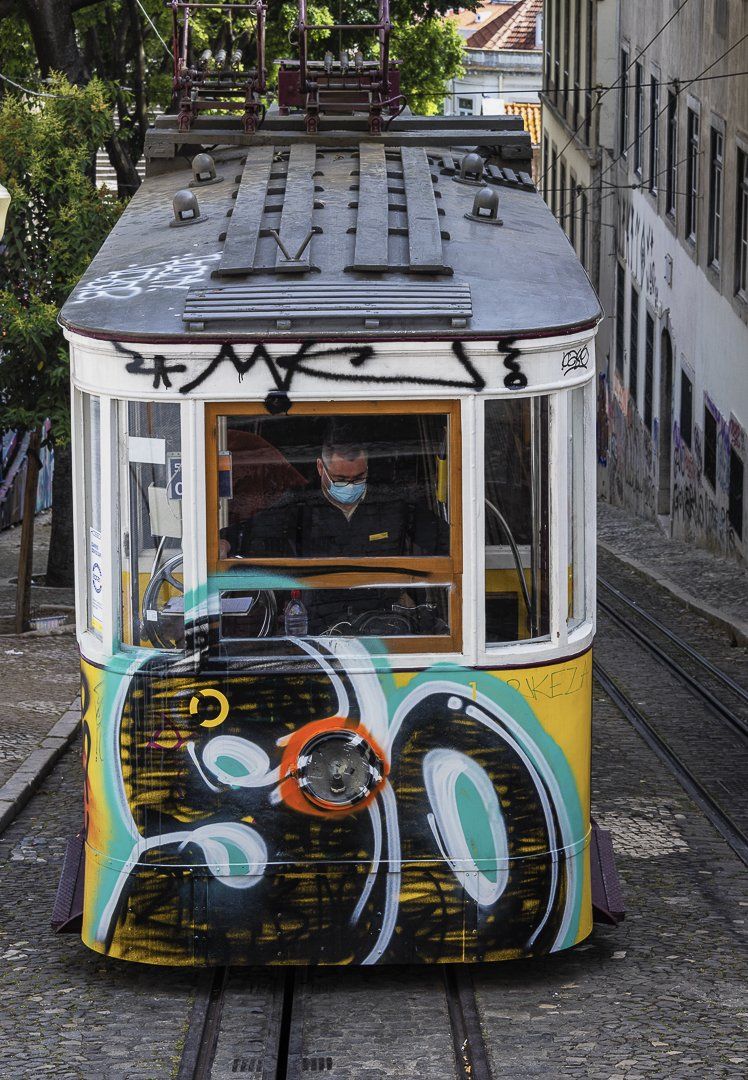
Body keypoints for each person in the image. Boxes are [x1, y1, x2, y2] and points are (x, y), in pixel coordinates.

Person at [220, 424, 450, 560]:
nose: (350, 486)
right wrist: (226, 542)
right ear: (321, 468)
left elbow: (446, 540)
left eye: (358, 478)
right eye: (340, 479)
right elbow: (254, 530)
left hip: (380, 615)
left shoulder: (393, 504)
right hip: (320, 621)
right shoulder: (299, 506)